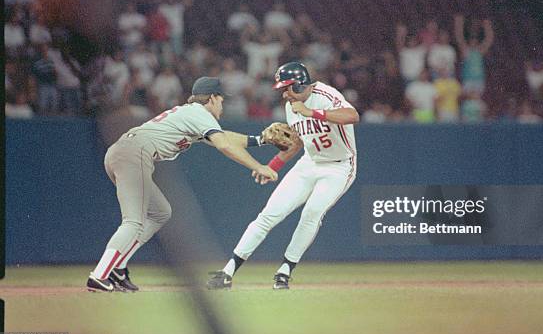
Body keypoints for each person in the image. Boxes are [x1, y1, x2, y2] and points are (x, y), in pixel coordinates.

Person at [86, 77, 279, 292]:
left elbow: (224, 137)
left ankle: (117, 269)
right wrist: (259, 166)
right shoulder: (199, 113)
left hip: (122, 153)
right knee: (133, 222)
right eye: (221, 100)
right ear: (213, 98)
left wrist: (261, 139)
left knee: (160, 212)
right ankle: (99, 275)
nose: (222, 105)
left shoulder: (191, 114)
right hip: (133, 154)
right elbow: (224, 145)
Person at [207, 62, 359, 290]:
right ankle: (228, 272)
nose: (284, 93)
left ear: (300, 84)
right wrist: (272, 165)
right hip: (309, 162)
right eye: (282, 89)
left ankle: (285, 270)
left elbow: (352, 115)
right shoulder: (291, 107)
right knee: (269, 214)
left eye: (287, 88)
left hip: (338, 167)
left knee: (312, 212)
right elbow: (296, 142)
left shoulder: (324, 95)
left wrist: (312, 112)